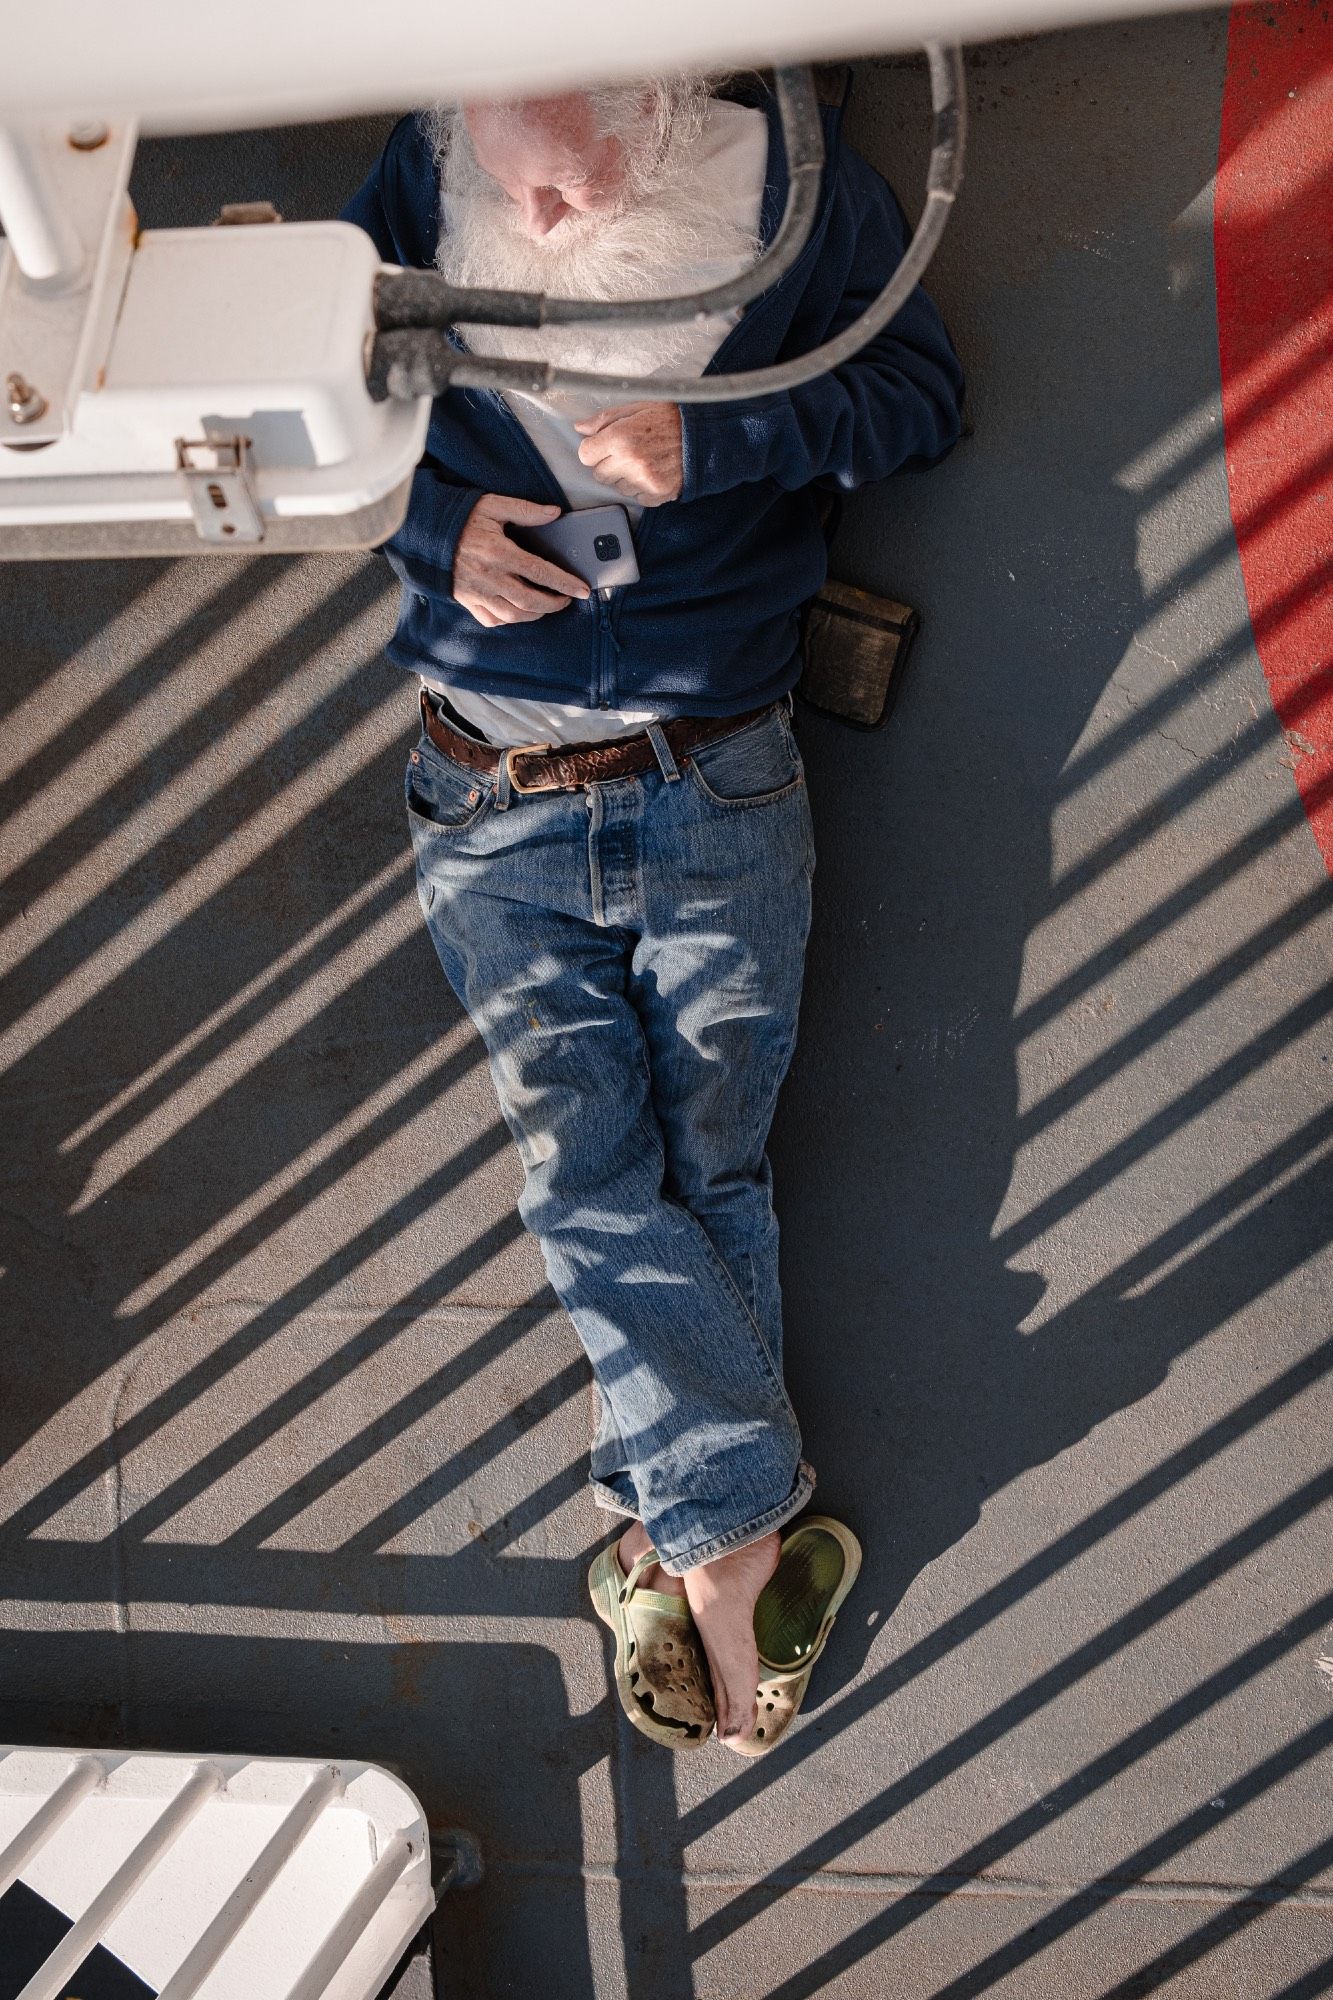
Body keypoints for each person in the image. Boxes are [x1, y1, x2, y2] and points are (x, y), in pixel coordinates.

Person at [343, 72, 963, 1750]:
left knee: (704, 1165)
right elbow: (302, 415)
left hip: (718, 776)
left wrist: (729, 441)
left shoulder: (804, 204)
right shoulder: (414, 181)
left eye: (574, 185)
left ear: (656, 99)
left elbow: (921, 398)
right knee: (585, 1173)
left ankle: (688, 1533)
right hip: (485, 786)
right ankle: (724, 1550)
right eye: (512, 183)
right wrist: (429, 529)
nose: (536, 221)